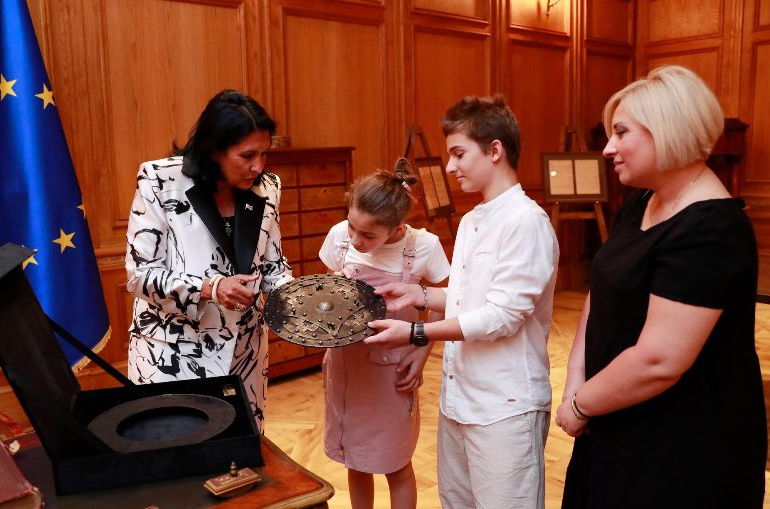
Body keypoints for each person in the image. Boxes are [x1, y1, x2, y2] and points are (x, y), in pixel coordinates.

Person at [555, 65, 766, 508]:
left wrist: (580, 405)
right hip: (615, 416)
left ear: (668, 130)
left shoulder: (712, 229)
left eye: (621, 132)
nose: (608, 148)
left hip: (682, 445)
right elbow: (601, 290)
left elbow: (659, 360)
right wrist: (577, 379)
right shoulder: (640, 202)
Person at [366, 96, 560, 509]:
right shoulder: (473, 220)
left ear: (494, 150)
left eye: (459, 154)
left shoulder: (526, 222)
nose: (450, 167)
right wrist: (421, 294)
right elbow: (468, 299)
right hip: (459, 399)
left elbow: (501, 317)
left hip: (506, 406)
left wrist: (416, 331)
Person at [125, 89, 293, 432]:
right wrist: (211, 288)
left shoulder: (268, 187)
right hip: (172, 354)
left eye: (264, 153)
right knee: (178, 454)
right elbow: (140, 275)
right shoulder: (160, 180)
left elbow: (273, 267)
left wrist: (303, 301)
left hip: (246, 355)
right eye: (247, 155)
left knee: (241, 453)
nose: (259, 166)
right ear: (215, 149)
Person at [319, 158, 451, 509]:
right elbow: (331, 289)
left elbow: (446, 299)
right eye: (352, 227)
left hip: (393, 371)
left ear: (397, 228)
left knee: (396, 462)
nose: (355, 240)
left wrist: (422, 352)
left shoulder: (422, 246)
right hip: (347, 369)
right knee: (355, 459)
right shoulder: (340, 237)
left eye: (368, 235)